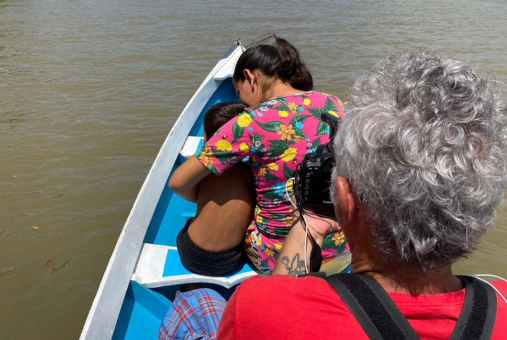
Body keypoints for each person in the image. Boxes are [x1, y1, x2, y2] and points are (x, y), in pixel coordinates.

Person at [216, 48, 507, 339]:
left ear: (344, 199)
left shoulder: (256, 308)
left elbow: (275, 306)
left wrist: (312, 224)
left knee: (197, 304)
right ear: (480, 206)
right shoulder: (501, 301)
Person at [169, 34, 348, 274]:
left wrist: (205, 196)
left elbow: (177, 182)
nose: (242, 101)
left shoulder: (249, 122)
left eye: (238, 90)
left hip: (278, 257)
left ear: (250, 77)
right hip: (341, 247)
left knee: (234, 175)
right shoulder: (333, 103)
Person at [176, 102, 255, 276]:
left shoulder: (204, 171)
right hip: (229, 260)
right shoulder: (255, 172)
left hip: (191, 253)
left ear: (206, 140)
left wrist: (198, 197)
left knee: (190, 223)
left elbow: (177, 184)